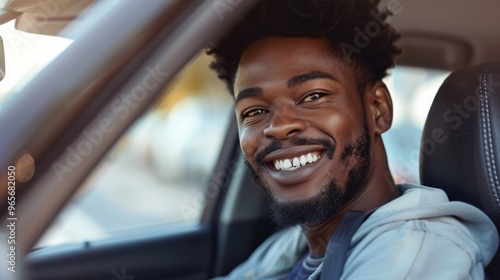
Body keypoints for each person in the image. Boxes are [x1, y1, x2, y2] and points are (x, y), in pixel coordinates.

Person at [207, 0, 499, 279]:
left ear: (377, 109)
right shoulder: (296, 245)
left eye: (313, 96)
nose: (279, 126)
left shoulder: (414, 253)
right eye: (255, 111)